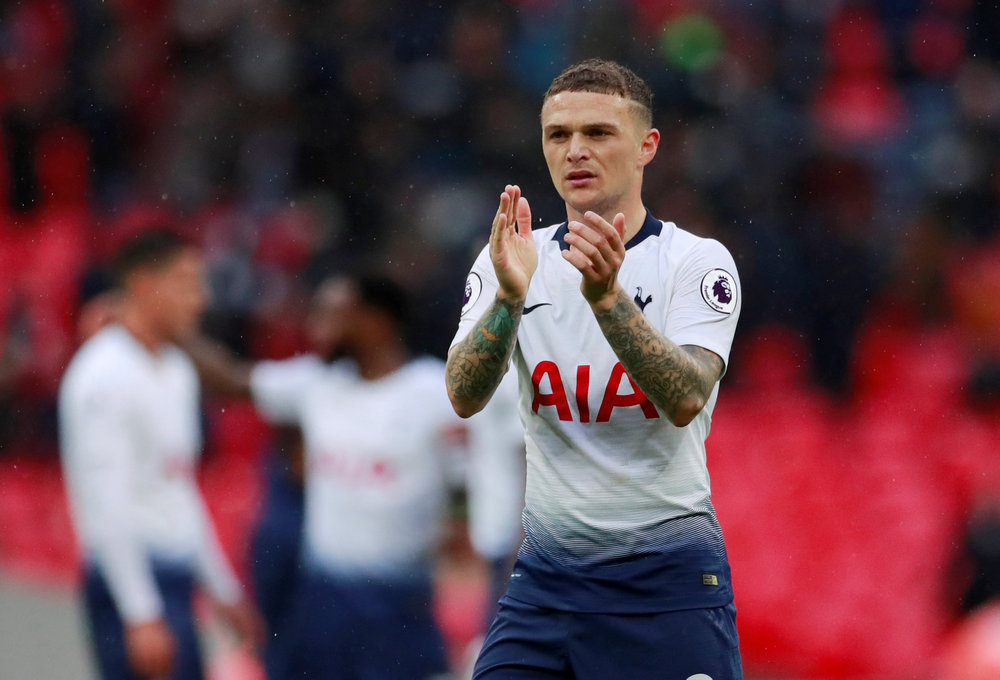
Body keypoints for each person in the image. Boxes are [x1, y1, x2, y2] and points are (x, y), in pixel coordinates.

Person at [446, 59, 744, 679]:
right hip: (548, 582)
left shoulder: (696, 262)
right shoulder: (513, 257)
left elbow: (686, 396)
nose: (575, 151)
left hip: (667, 585)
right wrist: (507, 298)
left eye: (598, 133)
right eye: (558, 135)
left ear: (646, 146)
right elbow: (464, 396)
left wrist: (609, 300)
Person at [183, 272, 523, 680]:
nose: (316, 326)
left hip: (400, 602)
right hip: (322, 598)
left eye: (332, 313)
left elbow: (479, 469)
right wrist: (166, 331)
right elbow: (229, 379)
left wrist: (460, 521)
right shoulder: (315, 384)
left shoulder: (437, 392)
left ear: (375, 321)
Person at [58, 230, 261, 680]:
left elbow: (177, 484)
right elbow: (103, 504)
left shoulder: (176, 371)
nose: (201, 300)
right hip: (129, 583)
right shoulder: (102, 376)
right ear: (144, 285)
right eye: (188, 283)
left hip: (175, 580)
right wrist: (140, 613)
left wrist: (220, 586)